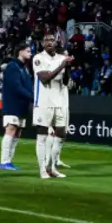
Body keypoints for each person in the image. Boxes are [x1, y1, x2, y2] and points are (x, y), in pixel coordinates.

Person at [33, 34, 71, 179]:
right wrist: (62, 66)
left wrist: (68, 68)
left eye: (52, 40)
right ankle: (42, 170)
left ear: (56, 43)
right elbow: (44, 79)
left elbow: (65, 81)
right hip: (44, 101)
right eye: (46, 40)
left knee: (61, 134)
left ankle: (51, 167)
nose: (49, 42)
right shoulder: (38, 58)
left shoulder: (61, 58)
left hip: (60, 101)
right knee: (42, 136)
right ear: (43, 43)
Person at [0, 43, 34, 171]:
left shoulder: (24, 68)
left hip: (22, 105)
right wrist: (32, 97)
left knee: (17, 132)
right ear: (20, 52)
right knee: (11, 129)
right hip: (12, 104)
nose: (30, 54)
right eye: (28, 51)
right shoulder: (12, 67)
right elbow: (16, 87)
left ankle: (9, 160)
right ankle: (4, 161)